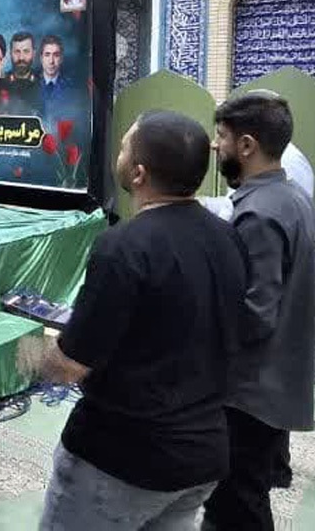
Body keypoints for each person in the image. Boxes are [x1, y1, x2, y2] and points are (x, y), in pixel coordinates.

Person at [21, 111, 249, 530]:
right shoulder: (228, 236)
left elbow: (71, 365)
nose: (120, 154)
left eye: (125, 147)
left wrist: (32, 354)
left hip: (121, 463)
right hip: (202, 458)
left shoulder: (123, 246)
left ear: (139, 173)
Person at [203, 92, 315, 530]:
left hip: (249, 395)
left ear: (247, 145)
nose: (216, 146)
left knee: (236, 506)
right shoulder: (293, 198)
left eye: (222, 136)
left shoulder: (259, 214)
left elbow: (255, 314)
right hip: (276, 381)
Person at [0, 31, 43, 116]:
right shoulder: (0, 84)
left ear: (34, 53)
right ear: (10, 53)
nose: (21, 57)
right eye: (17, 52)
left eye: (26, 51)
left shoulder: (43, 84)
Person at [39, 35, 71, 120]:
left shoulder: (71, 88)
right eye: (47, 55)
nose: (51, 61)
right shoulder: (31, 85)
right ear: (41, 58)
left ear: (61, 59)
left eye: (56, 55)